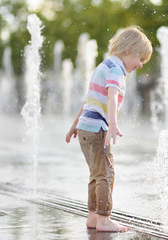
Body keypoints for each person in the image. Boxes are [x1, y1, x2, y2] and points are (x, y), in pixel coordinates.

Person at [65, 26, 152, 232]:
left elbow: (88, 101)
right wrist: (112, 123)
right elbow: (112, 96)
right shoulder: (116, 70)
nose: (140, 64)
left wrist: (74, 126)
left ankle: (93, 217)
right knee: (106, 174)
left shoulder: (103, 66)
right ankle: (104, 219)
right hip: (97, 129)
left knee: (96, 174)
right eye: (140, 59)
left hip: (85, 128)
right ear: (129, 50)